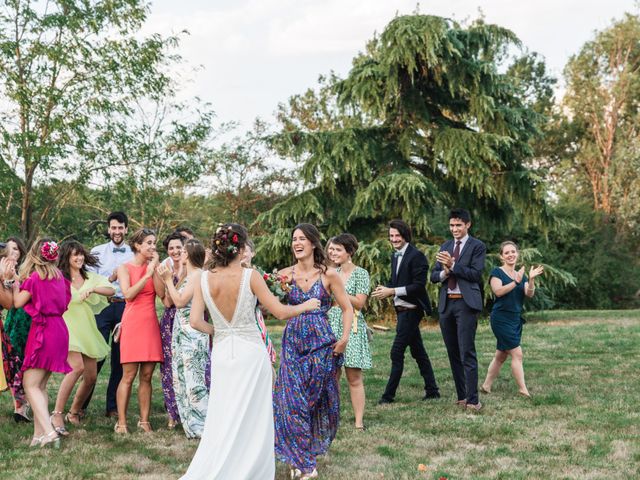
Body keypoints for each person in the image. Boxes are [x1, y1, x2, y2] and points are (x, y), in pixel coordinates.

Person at [180, 223, 320, 479]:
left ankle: (223, 465)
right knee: (254, 416)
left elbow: (195, 321)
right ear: (241, 247)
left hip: (223, 354)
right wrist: (308, 305)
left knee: (224, 413)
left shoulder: (203, 278)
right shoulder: (250, 276)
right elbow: (279, 311)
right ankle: (249, 470)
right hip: (251, 355)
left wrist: (220, 332)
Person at [275, 223, 354, 479]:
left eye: (301, 239)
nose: (296, 243)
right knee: (291, 401)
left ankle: (303, 451)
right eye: (293, 239)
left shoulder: (329, 275)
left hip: (321, 345)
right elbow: (274, 309)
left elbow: (347, 308)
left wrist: (343, 338)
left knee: (315, 399)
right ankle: (302, 462)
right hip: (293, 344)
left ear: (312, 243)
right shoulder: (284, 275)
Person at [12, 238, 72, 448]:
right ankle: (38, 435)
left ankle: (49, 432)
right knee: (41, 385)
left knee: (30, 385)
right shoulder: (61, 279)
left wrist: (12, 283)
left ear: (36, 255)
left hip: (43, 332)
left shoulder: (35, 278)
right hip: (60, 330)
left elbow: (17, 302)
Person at [372, 220, 439, 404]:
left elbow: (418, 287)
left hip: (413, 310)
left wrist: (392, 291)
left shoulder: (417, 256)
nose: (394, 239)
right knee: (418, 352)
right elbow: (397, 282)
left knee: (396, 352)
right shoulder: (395, 256)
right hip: (401, 311)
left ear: (405, 235)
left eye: (397, 236)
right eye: (391, 236)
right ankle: (432, 390)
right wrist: (385, 289)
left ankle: (388, 396)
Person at [50, 241, 114, 435]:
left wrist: (93, 289)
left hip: (86, 328)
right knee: (76, 367)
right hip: (67, 328)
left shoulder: (90, 277)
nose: (78, 258)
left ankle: (74, 412)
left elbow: (111, 290)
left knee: (91, 377)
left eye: (81, 254)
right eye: (74, 255)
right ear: (66, 258)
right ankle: (57, 413)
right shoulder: (59, 278)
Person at [430, 208, 486, 411]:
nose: (454, 229)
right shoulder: (445, 246)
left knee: (467, 351)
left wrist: (453, 265)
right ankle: (462, 395)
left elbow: (475, 274)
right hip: (447, 304)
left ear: (467, 225)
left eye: (458, 225)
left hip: (466, 303)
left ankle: (473, 400)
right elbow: (433, 276)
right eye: (452, 225)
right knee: (453, 351)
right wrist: (445, 272)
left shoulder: (477, 246)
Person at [114, 228, 165, 433]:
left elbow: (161, 293)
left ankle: (144, 421)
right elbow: (128, 295)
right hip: (133, 322)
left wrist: (157, 270)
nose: (153, 247)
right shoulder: (124, 268)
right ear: (137, 246)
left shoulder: (155, 267)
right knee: (128, 375)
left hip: (150, 323)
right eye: (149, 243)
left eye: (154, 243)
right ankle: (122, 422)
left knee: (146, 375)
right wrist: (147, 275)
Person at [83, 211, 134, 418]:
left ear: (126, 229)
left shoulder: (134, 253)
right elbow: (84, 275)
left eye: (120, 228)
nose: (117, 231)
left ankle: (112, 407)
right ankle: (82, 404)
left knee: (119, 359)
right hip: (102, 307)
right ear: (108, 228)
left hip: (125, 306)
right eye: (113, 227)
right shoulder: (96, 252)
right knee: (96, 356)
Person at [158, 239, 209, 439]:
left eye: (184, 251)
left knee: (194, 379)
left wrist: (168, 280)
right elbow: (171, 298)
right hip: (182, 332)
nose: (180, 254)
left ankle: (201, 425)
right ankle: (191, 424)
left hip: (193, 334)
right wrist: (171, 281)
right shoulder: (190, 275)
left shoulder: (198, 275)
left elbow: (179, 302)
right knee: (182, 378)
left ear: (189, 255)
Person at [481, 241, 543, 398]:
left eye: (513, 252)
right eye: (506, 252)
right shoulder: (497, 272)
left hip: (515, 318)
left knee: (501, 355)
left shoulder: (520, 275)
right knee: (517, 353)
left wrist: (531, 279)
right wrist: (515, 281)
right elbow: (499, 291)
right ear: (501, 256)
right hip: (501, 319)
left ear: (517, 254)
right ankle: (523, 390)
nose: (510, 255)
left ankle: (486, 386)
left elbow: (529, 294)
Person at [326, 233, 372, 430]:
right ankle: (330, 419)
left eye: (338, 249)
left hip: (351, 326)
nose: (332, 252)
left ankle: (359, 422)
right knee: (331, 376)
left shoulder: (361, 274)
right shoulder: (328, 272)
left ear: (349, 252)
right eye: (331, 249)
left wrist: (338, 290)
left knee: (353, 376)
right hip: (330, 324)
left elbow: (360, 303)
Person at [3, 237, 32, 422]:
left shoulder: (27, 270)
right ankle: (19, 405)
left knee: (23, 360)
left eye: (16, 249)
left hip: (26, 319)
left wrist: (13, 278)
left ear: (21, 252)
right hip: (12, 318)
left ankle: (24, 405)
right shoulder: (2, 268)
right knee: (12, 361)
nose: (12, 252)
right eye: (9, 249)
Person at [159, 231, 184, 429]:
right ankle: (172, 412)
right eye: (171, 248)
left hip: (190, 320)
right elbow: (167, 302)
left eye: (178, 247)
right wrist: (167, 280)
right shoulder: (164, 270)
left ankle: (191, 408)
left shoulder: (193, 269)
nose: (175, 251)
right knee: (169, 367)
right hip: (170, 321)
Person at [241, 239, 276, 364]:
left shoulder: (259, 274)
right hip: (242, 320)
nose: (243, 254)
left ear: (253, 253)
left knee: (264, 356)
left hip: (256, 317)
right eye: (240, 250)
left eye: (245, 250)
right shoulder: (236, 274)